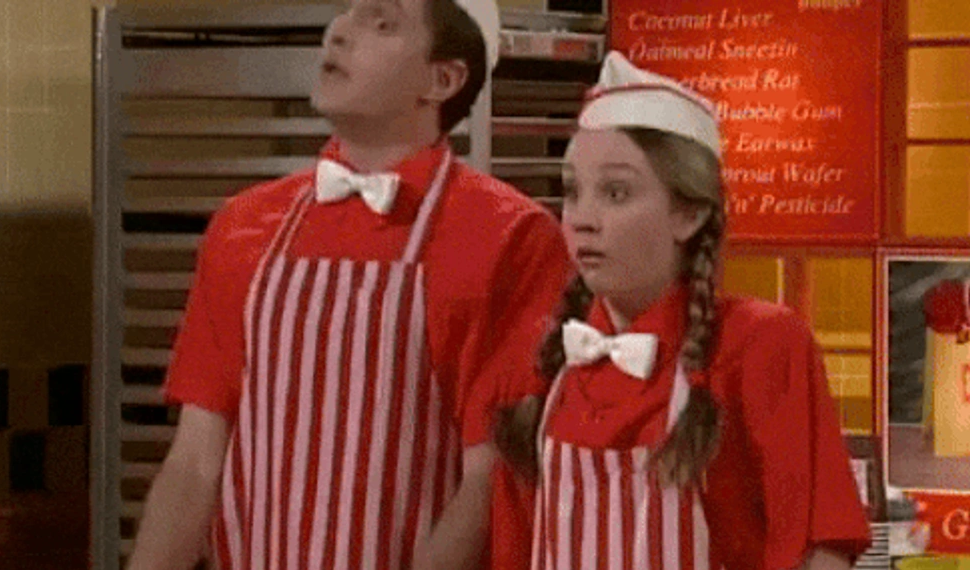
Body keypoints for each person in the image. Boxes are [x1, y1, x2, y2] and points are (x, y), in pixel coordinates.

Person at [127, 1, 573, 569]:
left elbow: (489, 480)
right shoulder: (243, 225)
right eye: (347, 14)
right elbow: (194, 462)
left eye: (381, 23)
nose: (339, 33)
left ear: (442, 80)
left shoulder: (511, 237)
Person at [493, 52, 872, 570]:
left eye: (616, 193)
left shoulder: (759, 342)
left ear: (689, 213)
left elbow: (820, 551)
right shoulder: (542, 364)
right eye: (573, 192)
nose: (582, 219)